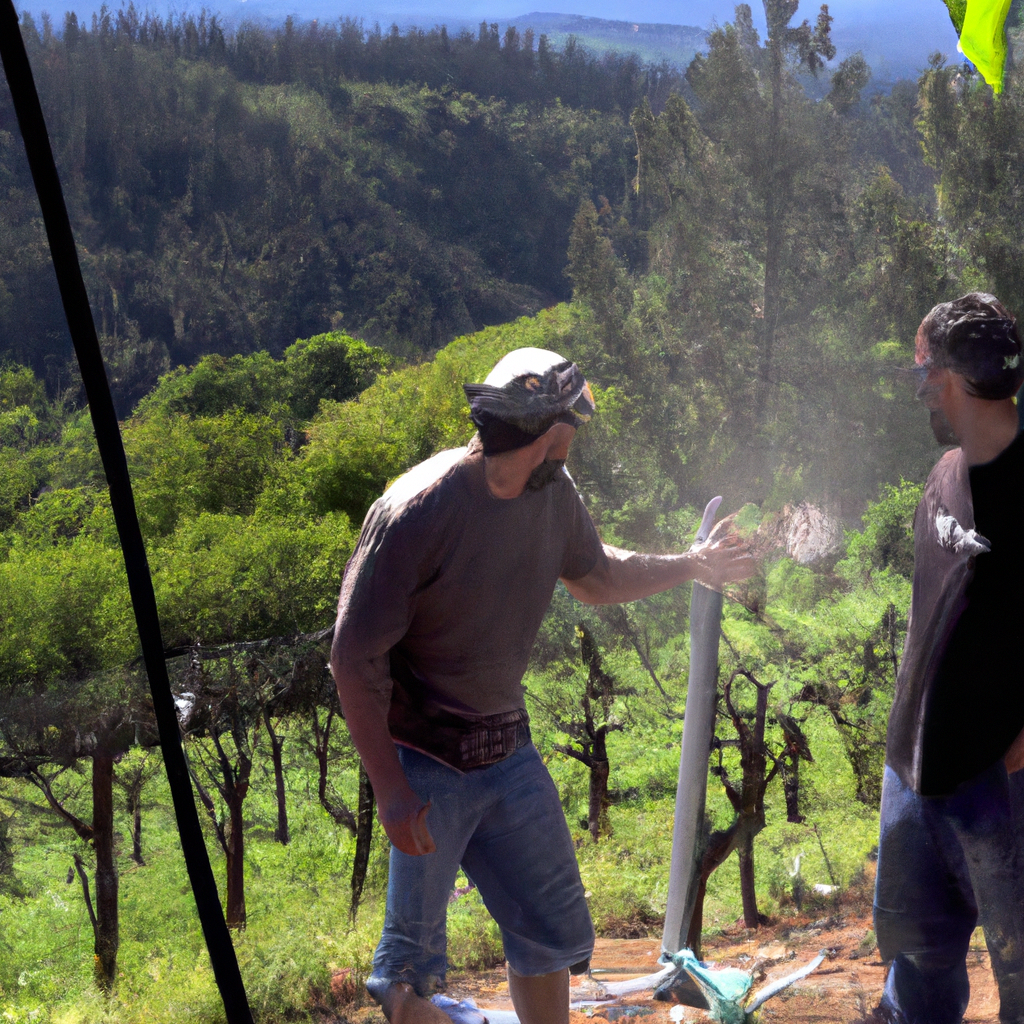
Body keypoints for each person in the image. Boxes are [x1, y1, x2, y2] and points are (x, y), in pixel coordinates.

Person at [330, 347, 754, 1024]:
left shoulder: (551, 495)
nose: (572, 450)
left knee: (546, 939)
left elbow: (596, 575)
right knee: (406, 980)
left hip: (508, 752)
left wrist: (694, 565)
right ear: (551, 432)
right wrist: (389, 788)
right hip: (427, 763)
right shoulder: (415, 512)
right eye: (571, 434)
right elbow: (352, 660)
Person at [872, 293, 1024, 1024]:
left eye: (920, 374)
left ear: (953, 381)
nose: (918, 391)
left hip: (1001, 785)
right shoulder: (941, 476)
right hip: (912, 777)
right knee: (917, 970)